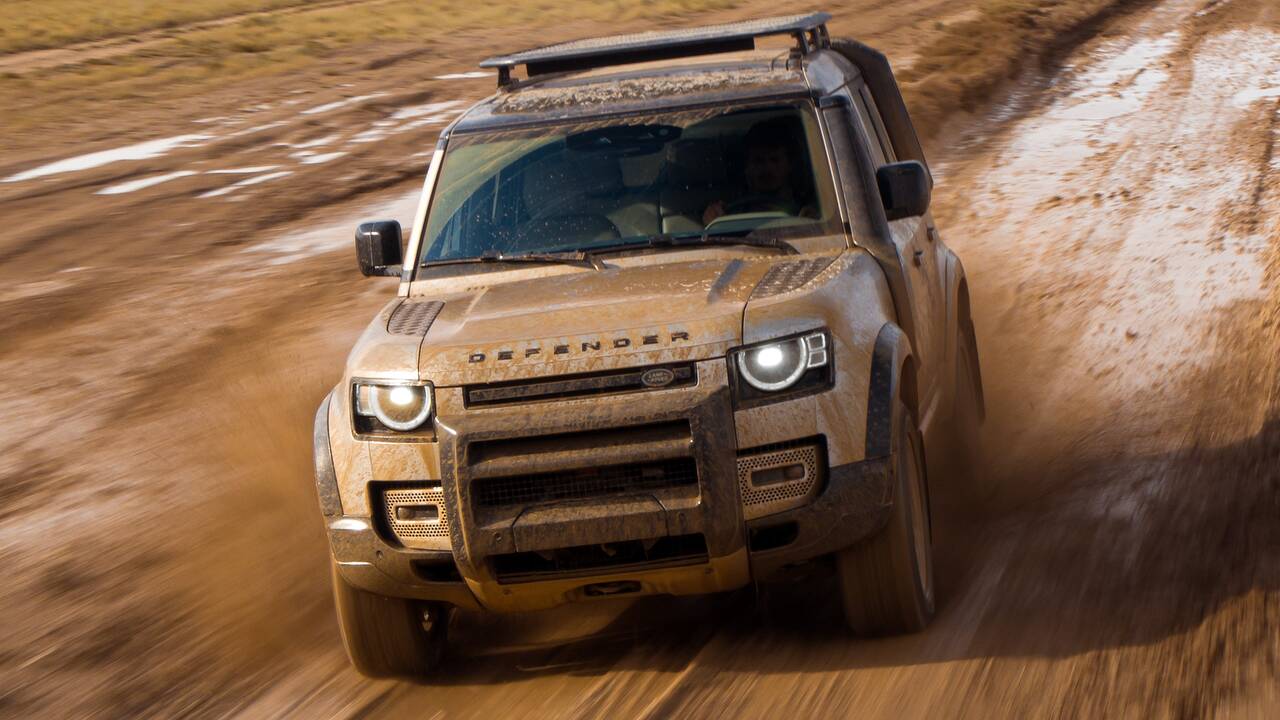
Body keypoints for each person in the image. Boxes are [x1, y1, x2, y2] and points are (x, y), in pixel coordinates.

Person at [703, 117, 815, 226]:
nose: (767, 168)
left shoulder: (809, 212)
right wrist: (713, 222)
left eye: (775, 160)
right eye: (758, 161)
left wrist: (813, 224)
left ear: (789, 164)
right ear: (746, 167)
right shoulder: (728, 214)